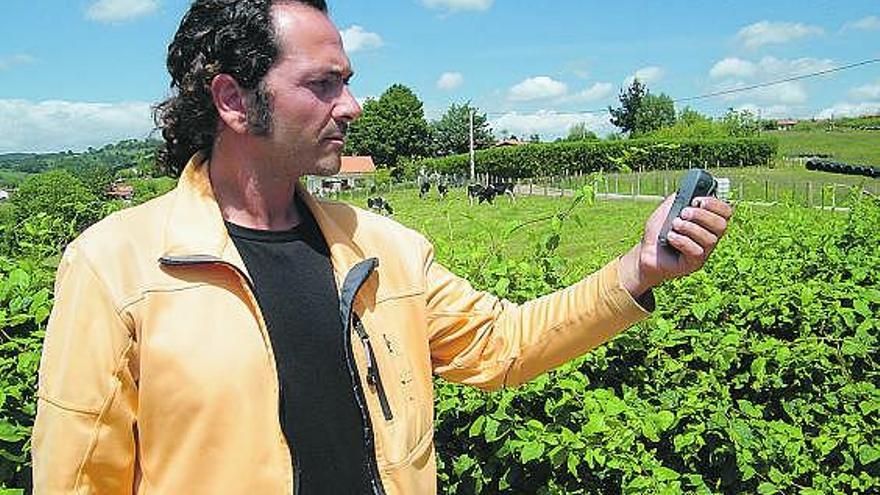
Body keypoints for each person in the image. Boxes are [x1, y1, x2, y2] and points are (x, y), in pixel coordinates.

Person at [30, 0, 733, 493]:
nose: (352, 105)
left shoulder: (385, 248)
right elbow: (78, 475)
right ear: (234, 100)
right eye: (323, 83)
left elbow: (504, 343)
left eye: (348, 81)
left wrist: (637, 271)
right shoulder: (114, 264)